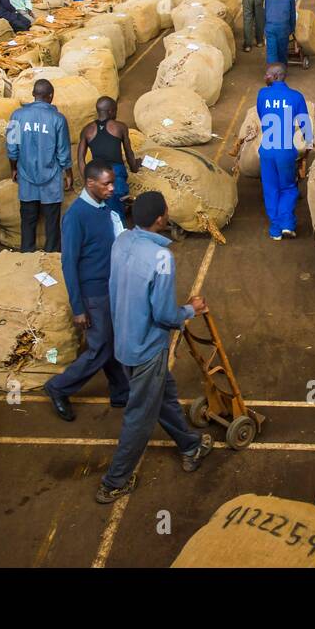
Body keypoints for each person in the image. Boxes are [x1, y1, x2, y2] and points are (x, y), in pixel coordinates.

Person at [95, 191, 212, 503]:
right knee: (139, 416)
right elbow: (163, 314)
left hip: (123, 341)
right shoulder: (161, 258)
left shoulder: (121, 242)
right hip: (148, 347)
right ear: (161, 218)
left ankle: (190, 445)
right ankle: (114, 482)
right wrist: (190, 309)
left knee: (163, 396)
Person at [41, 160, 129, 422]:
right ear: (90, 184)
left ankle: (121, 391)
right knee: (100, 347)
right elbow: (68, 263)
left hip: (108, 287)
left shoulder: (103, 208)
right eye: (106, 184)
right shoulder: (76, 216)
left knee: (111, 341)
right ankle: (58, 388)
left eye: (113, 183)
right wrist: (78, 308)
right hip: (93, 294)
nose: (112, 188)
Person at [6, 78, 73, 253]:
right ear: (50, 96)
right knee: (52, 223)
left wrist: (13, 168)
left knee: (28, 221)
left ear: (33, 95)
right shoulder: (58, 119)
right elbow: (63, 152)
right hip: (51, 179)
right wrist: (69, 174)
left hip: (26, 178)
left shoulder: (17, 116)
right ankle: (50, 257)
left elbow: (12, 148)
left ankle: (27, 254)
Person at [256, 62, 311, 241]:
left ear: (276, 76)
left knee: (270, 188)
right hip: (285, 151)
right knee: (288, 187)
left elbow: (261, 115)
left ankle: (275, 229)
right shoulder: (296, 97)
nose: (265, 77)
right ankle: (287, 224)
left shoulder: (262, 94)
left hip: (266, 151)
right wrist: (309, 143)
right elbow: (305, 126)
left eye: (267, 75)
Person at [78, 96, 138, 217]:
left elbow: (80, 159)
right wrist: (134, 167)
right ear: (111, 111)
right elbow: (129, 152)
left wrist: (88, 180)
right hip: (116, 172)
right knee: (116, 211)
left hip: (98, 173)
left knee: (101, 208)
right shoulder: (120, 127)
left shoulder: (87, 130)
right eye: (115, 110)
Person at [263, 0, 298, 65]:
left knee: (271, 52)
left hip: (270, 26)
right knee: (282, 52)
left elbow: (265, 10)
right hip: (283, 27)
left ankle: (272, 73)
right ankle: (281, 73)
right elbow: (292, 13)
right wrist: (292, 28)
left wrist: (265, 27)